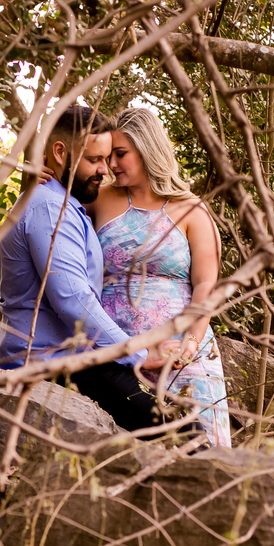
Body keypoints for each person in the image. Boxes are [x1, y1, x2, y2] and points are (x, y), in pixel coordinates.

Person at [0, 106, 194, 436]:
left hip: (76, 358)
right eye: (94, 160)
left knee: (179, 422)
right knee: (181, 429)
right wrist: (138, 354)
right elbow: (73, 300)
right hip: (50, 363)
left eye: (108, 158)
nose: (105, 169)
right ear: (60, 153)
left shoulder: (66, 204)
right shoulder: (49, 207)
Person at [89, 107, 232, 446]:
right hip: (120, 355)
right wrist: (42, 176)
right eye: (108, 156)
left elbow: (206, 284)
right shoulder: (98, 199)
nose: (111, 164)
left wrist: (191, 342)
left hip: (183, 353)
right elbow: (54, 212)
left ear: (146, 149)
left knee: (201, 454)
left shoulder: (191, 209)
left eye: (120, 154)